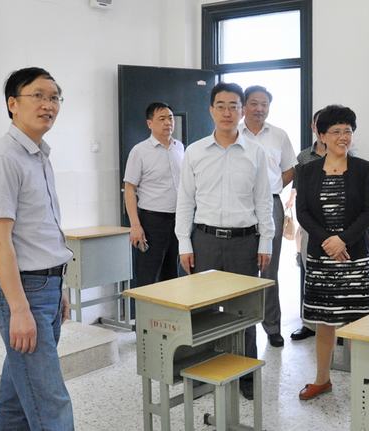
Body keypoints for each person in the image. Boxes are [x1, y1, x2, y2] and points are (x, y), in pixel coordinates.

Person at [0, 67, 74, 430]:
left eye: (54, 97)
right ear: (12, 104)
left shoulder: (38, 155)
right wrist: (19, 308)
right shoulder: (3, 158)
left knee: (18, 397)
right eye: (38, 96)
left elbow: (41, 234)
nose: (49, 105)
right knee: (51, 402)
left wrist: (58, 287)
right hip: (25, 290)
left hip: (46, 287)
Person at [175, 82, 274, 400]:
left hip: (244, 242)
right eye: (221, 105)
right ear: (211, 110)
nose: (227, 112)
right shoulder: (194, 151)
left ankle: (246, 375)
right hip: (204, 239)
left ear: (242, 111)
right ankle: (202, 371)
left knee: (244, 311)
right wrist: (184, 243)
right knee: (202, 310)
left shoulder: (255, 152)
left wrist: (266, 241)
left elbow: (263, 200)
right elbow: (185, 200)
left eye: (234, 106)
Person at [295, 105, 369, 400]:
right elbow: (303, 213)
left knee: (359, 322)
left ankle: (367, 384)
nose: (344, 137)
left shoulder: (363, 169)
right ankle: (322, 380)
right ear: (322, 136)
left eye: (348, 131)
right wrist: (328, 241)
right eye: (336, 131)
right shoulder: (306, 171)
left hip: (354, 256)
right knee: (324, 322)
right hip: (322, 258)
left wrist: (342, 240)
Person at [240, 85, 296, 348]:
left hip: (271, 203)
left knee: (269, 269)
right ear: (244, 106)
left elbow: (290, 168)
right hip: (240, 204)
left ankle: (272, 326)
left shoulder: (279, 135)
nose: (259, 109)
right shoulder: (233, 133)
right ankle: (241, 327)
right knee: (242, 269)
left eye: (264, 104)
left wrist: (272, 188)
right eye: (254, 103)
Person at [124, 102, 183, 292]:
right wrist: (135, 225)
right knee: (148, 276)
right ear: (150, 123)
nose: (168, 123)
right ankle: (144, 313)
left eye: (170, 118)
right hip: (152, 222)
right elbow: (129, 189)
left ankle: (170, 312)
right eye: (162, 119)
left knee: (173, 276)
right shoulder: (140, 151)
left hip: (178, 221)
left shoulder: (180, 148)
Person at [289, 108, 326, 341]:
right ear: (313, 127)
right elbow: (298, 191)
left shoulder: (348, 155)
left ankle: (336, 325)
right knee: (309, 274)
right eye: (318, 124)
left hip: (338, 228)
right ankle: (310, 324)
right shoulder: (303, 157)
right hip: (310, 225)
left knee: (333, 278)